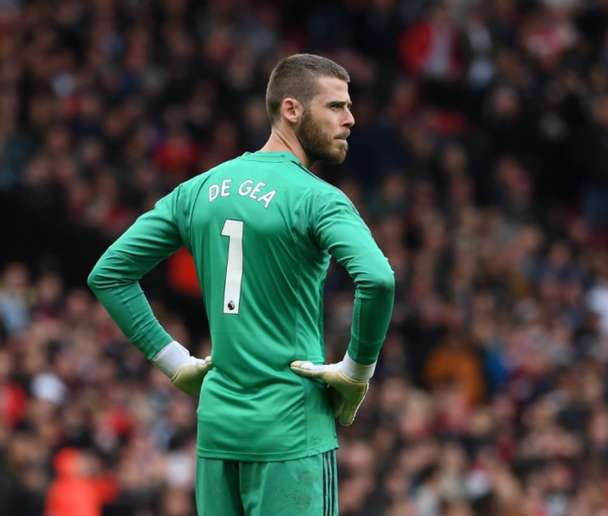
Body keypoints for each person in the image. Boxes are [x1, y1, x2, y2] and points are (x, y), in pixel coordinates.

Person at [87, 54, 395, 515]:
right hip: (292, 434)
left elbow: (108, 275)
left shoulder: (199, 189)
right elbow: (377, 279)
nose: (350, 119)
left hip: (218, 433)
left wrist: (175, 362)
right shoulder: (318, 199)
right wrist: (355, 373)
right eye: (335, 106)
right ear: (291, 109)